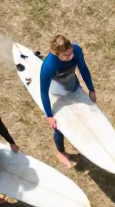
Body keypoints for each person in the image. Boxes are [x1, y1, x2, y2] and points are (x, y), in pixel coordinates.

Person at [40, 34, 97, 168]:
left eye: (70, 52)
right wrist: (49, 116)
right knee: (59, 126)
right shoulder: (48, 66)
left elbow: (83, 68)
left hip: (73, 86)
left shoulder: (76, 50)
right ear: (56, 53)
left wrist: (91, 89)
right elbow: (43, 92)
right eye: (65, 55)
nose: (70, 56)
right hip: (57, 94)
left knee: (85, 113)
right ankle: (60, 151)